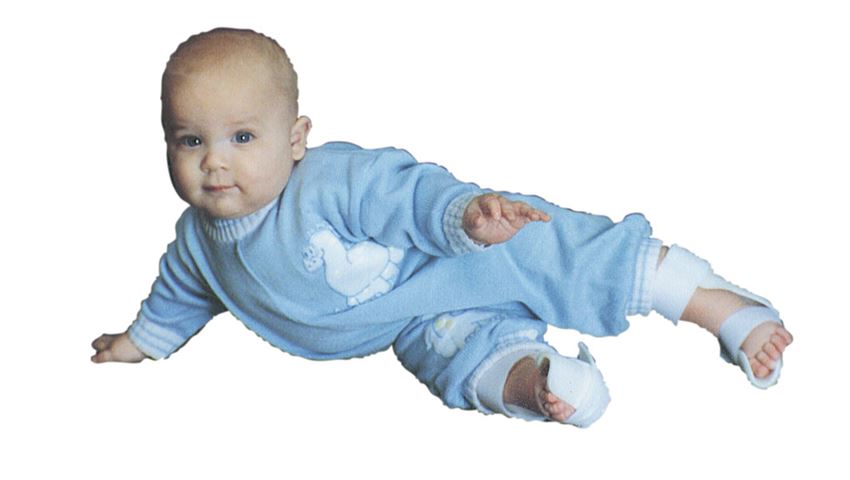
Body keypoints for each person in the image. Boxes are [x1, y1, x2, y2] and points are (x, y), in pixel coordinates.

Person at [91, 28, 793, 428]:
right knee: (452, 359)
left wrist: (464, 217)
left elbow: (407, 194)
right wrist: (137, 344)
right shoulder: (198, 243)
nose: (214, 162)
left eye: (242, 137)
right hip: (408, 321)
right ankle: (540, 384)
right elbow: (178, 296)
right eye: (190, 141)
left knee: (557, 250)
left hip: (456, 256)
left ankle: (714, 303)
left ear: (296, 137)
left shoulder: (331, 182)